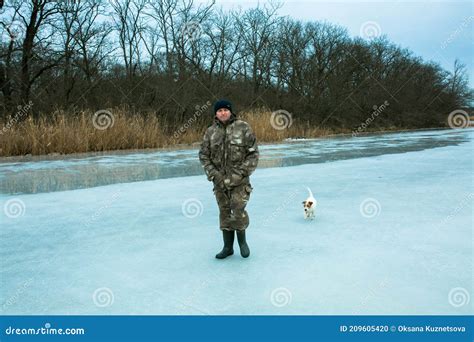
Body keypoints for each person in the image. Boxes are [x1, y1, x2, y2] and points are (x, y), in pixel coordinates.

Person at [199, 99, 259, 259]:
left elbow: (253, 154)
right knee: (224, 212)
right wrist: (214, 175)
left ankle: (242, 243)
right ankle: (227, 247)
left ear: (230, 111)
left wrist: (240, 174)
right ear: (215, 114)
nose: (222, 113)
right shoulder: (210, 132)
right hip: (219, 181)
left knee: (238, 211)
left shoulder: (243, 127)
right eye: (219, 111)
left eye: (225, 110)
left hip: (239, 181)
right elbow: (204, 156)